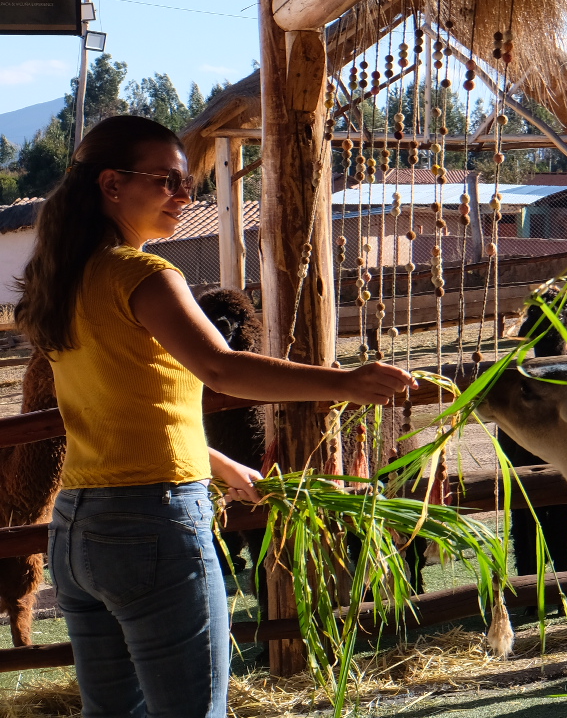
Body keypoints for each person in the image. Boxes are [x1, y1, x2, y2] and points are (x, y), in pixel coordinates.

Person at [14, 115, 414, 717]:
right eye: (167, 181)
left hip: (77, 528)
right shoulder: (144, 275)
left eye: (187, 184)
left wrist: (219, 464)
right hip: (154, 522)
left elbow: (124, 406)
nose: (183, 196)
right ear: (111, 184)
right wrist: (346, 383)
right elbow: (221, 369)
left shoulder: (65, 281)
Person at [498, 304, 567, 589]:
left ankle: (539, 583)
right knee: (548, 508)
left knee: (537, 510)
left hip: (542, 450)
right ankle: (550, 582)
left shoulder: (562, 379)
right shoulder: (522, 381)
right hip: (532, 448)